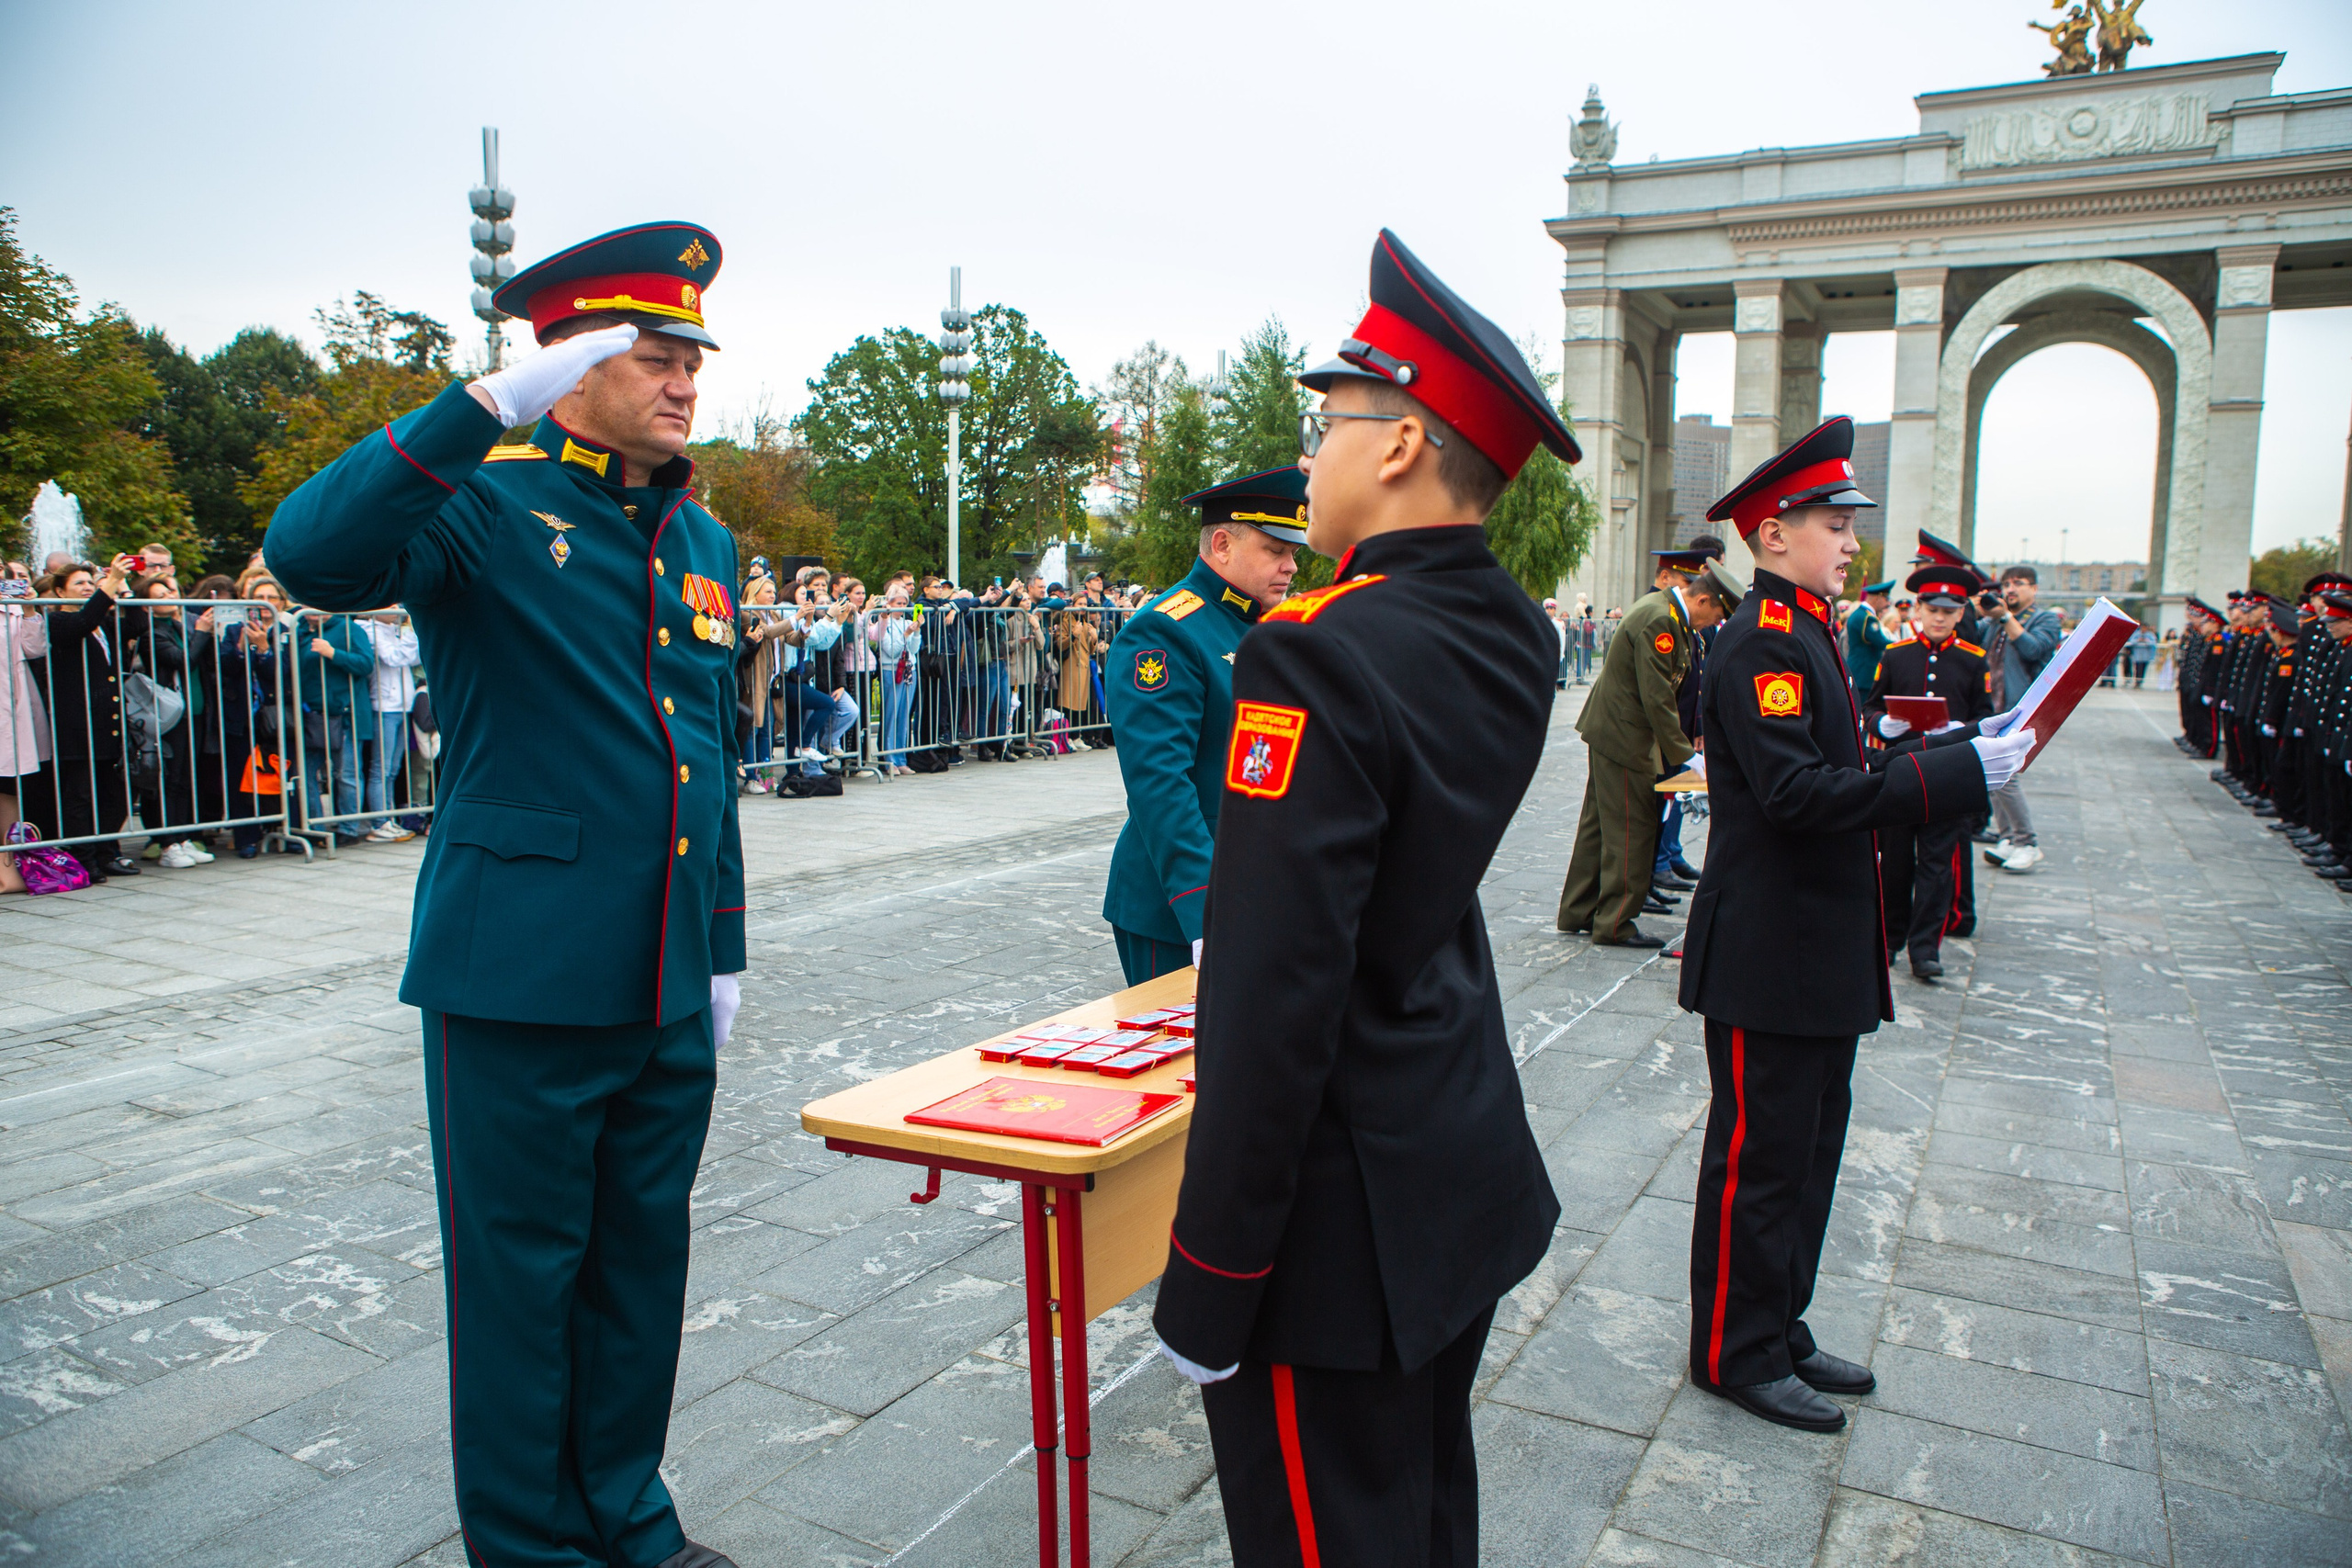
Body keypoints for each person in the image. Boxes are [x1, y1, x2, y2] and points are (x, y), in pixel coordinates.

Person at [264, 220, 747, 1568]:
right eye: (649, 355)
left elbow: (705, 754)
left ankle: (629, 1517)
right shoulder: (483, 497)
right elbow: (310, 553)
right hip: (522, 971)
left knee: (639, 1270)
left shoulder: (699, 531)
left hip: (658, 972)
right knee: (523, 1284)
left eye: (690, 359)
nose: (682, 382)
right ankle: (533, 1548)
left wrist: (723, 944)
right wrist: (477, 411)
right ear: (566, 365)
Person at [1155, 231, 1572, 1568]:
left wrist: (1212, 1271)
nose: (1313, 452)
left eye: (1328, 422)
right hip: (1451, 1151)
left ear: (1398, 446)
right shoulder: (1512, 628)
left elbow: (1276, 995)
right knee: (1422, 1512)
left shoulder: (1317, 653)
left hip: (1333, 1227)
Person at [1678, 415, 2033, 1435]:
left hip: (1813, 946)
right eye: (1830, 522)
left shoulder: (1816, 631)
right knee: (1759, 1160)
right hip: (1767, 951)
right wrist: (1951, 775)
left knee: (1810, 1148)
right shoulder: (1763, 642)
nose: (1849, 540)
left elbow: (1852, 765)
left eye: (1847, 522)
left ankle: (1775, 1322)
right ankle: (1730, 1351)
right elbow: (1797, 795)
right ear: (1770, 534)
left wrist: (1951, 746)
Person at [1100, 465, 1304, 984]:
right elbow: (1160, 784)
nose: (1291, 566)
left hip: (1258, 886)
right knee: (1187, 1060)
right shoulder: (1166, 632)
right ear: (1221, 544)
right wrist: (1205, 909)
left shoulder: (1264, 624)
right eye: (1276, 551)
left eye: (1294, 553)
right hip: (1181, 905)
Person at [1555, 546, 1700, 947]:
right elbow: (1657, 696)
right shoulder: (1660, 619)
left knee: (1598, 827)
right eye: (1718, 613)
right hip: (1624, 737)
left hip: (1614, 730)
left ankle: (1579, 910)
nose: (1716, 621)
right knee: (1631, 828)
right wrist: (1687, 756)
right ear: (1700, 597)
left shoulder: (1662, 611)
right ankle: (1616, 923)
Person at [1862, 561, 1995, 980]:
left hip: (1949, 775)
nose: (1939, 618)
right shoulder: (1896, 654)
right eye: (1932, 609)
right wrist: (1881, 724)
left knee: (1938, 867)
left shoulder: (1974, 660)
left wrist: (1965, 729)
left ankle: (1925, 949)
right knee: (1895, 861)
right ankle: (1888, 941)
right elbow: (1871, 706)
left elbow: (1986, 715)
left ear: (1960, 614)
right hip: (1902, 770)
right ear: (1918, 609)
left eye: (1949, 611)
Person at [38, 556, 143, 881]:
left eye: (89, 582)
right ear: (59, 591)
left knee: (115, 793)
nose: (86, 587)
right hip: (77, 724)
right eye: (78, 583)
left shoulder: (105, 622)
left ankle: (107, 851)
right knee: (81, 795)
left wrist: (123, 587)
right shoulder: (55, 622)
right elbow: (82, 622)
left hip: (108, 722)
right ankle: (83, 857)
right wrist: (108, 583)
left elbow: (137, 624)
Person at [1975, 564, 2061, 873]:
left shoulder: (2045, 619)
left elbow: (2034, 648)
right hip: (1992, 707)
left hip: (2023, 708)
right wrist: (1978, 611)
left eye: (2019, 584)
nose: (2010, 590)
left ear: (2034, 589)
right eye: (2006, 584)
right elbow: (1974, 642)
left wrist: (2006, 617)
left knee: (2007, 775)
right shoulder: (1995, 621)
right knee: (1994, 775)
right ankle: (2009, 837)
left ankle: (2027, 842)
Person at [0, 559, 49, 893]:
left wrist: (29, 609)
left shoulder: (14, 610)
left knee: (7, 786)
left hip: (9, 712)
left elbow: (35, 648)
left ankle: (7, 867)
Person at [356, 608, 423, 841]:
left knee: (393, 770)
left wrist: (407, 632)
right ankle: (379, 821)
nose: (397, 611)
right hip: (384, 707)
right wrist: (410, 632)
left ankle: (389, 819)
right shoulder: (369, 630)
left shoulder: (397, 631)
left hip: (404, 706)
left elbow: (414, 658)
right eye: (391, 607)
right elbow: (394, 657)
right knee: (380, 769)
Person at [1843, 578, 1894, 692]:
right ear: (1877, 598)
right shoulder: (1867, 618)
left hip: (1860, 671)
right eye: (1886, 599)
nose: (1887, 603)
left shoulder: (1861, 614)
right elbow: (1881, 643)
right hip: (1863, 673)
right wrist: (1903, 645)